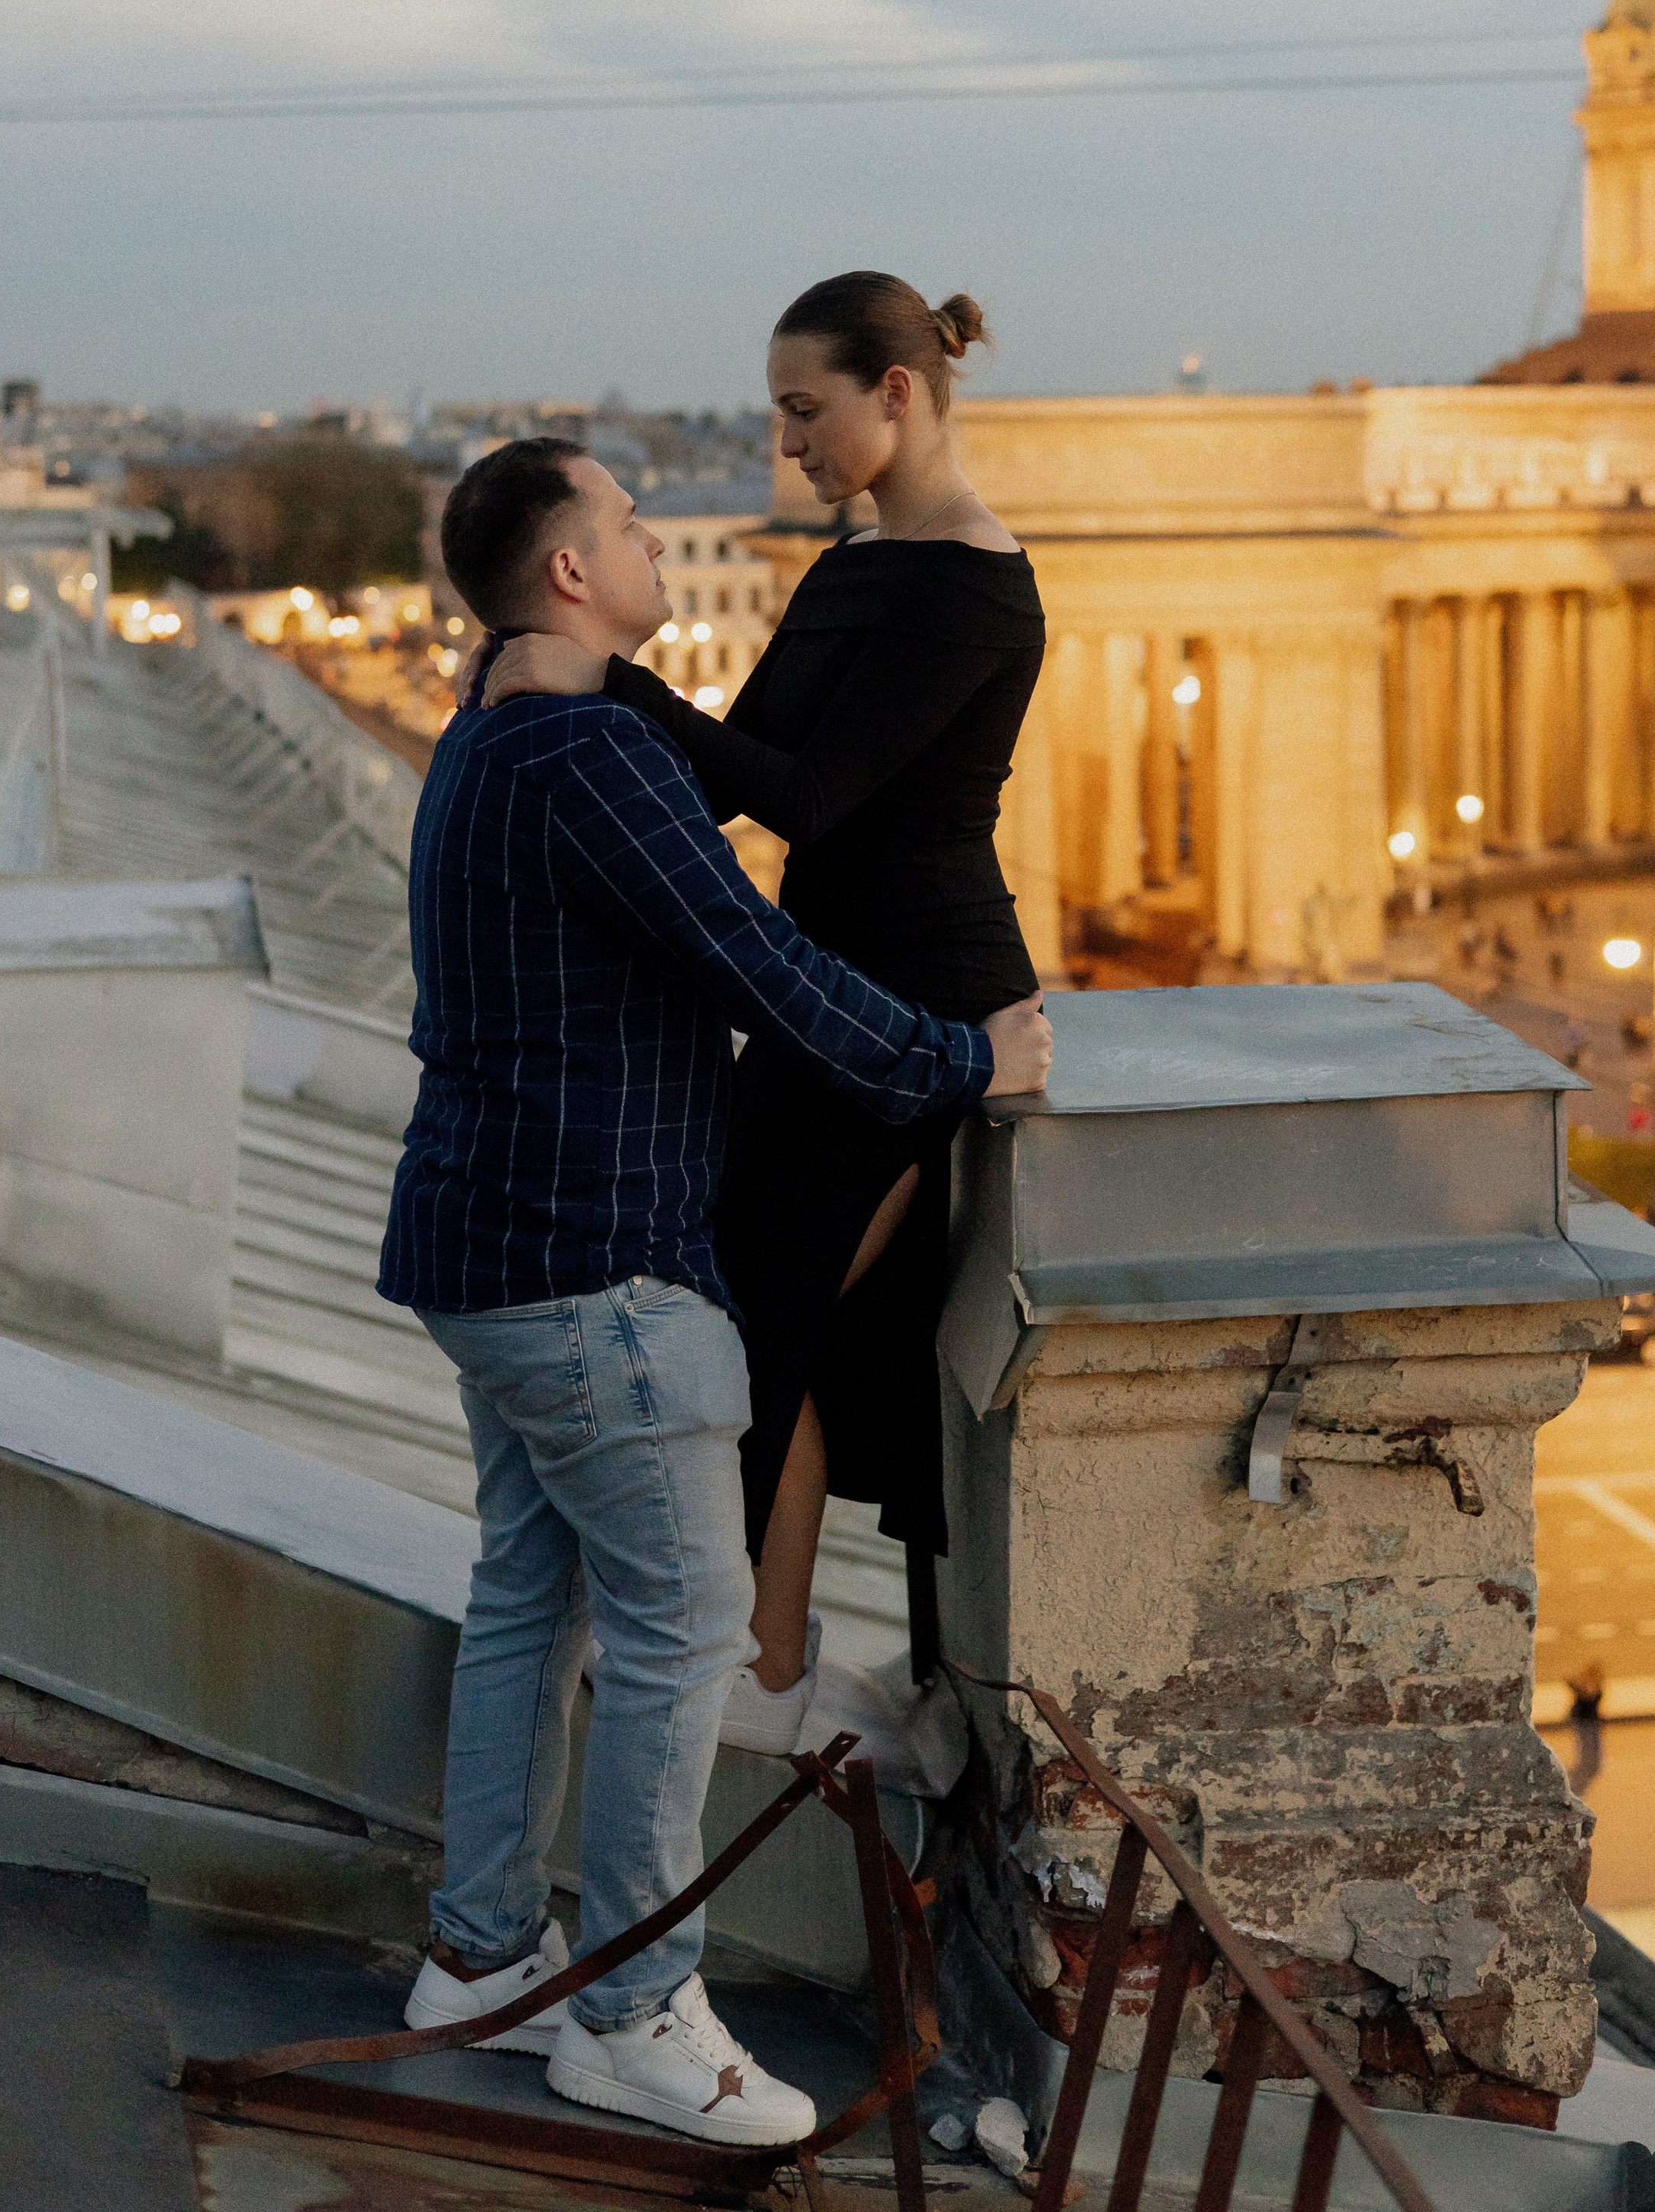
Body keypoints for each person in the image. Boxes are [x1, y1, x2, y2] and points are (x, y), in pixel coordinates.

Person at [378, 437, 1052, 2137]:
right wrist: (955, 1057)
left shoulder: (484, 735)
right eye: (622, 522)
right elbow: (751, 957)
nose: (650, 536)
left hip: (485, 1243)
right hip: (597, 1261)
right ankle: (631, 2014)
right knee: (682, 1631)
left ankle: (473, 1960)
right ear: (566, 577)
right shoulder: (591, 751)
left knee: (533, 1602)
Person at [487, 274, 1045, 1787]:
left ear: (898, 396)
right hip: (829, 987)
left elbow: (811, 795)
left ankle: (756, 1667)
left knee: (753, 1315)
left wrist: (604, 681)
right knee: (762, 1323)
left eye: (804, 410)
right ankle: (758, 1658)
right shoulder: (860, 564)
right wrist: (573, 750)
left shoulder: (973, 585)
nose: (784, 440)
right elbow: (730, 779)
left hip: (914, 999)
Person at [1564, 1663, 1605, 1798]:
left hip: (1589, 1724)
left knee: (1592, 1760)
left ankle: (1572, 1788)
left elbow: (1589, 1696)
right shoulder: (1586, 1689)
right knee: (1590, 1759)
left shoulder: (1594, 1688)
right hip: (1586, 1724)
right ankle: (1572, 1788)